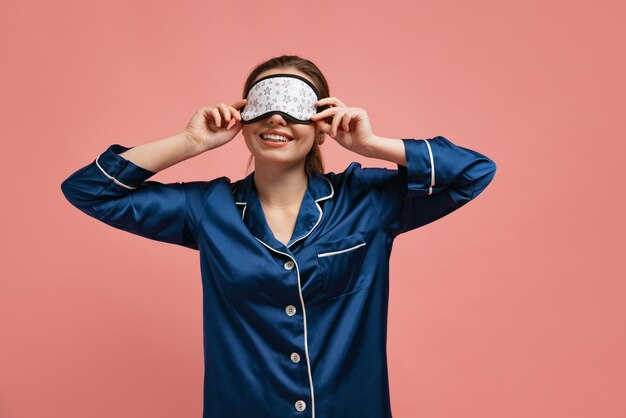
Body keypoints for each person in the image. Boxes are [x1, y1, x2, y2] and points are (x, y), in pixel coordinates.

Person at [61, 54, 497, 418]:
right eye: (264, 104)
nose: (277, 116)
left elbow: (474, 173)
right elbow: (89, 191)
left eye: (294, 105)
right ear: (243, 118)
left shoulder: (367, 200)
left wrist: (373, 145)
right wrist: (190, 142)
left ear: (321, 121)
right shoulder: (208, 210)